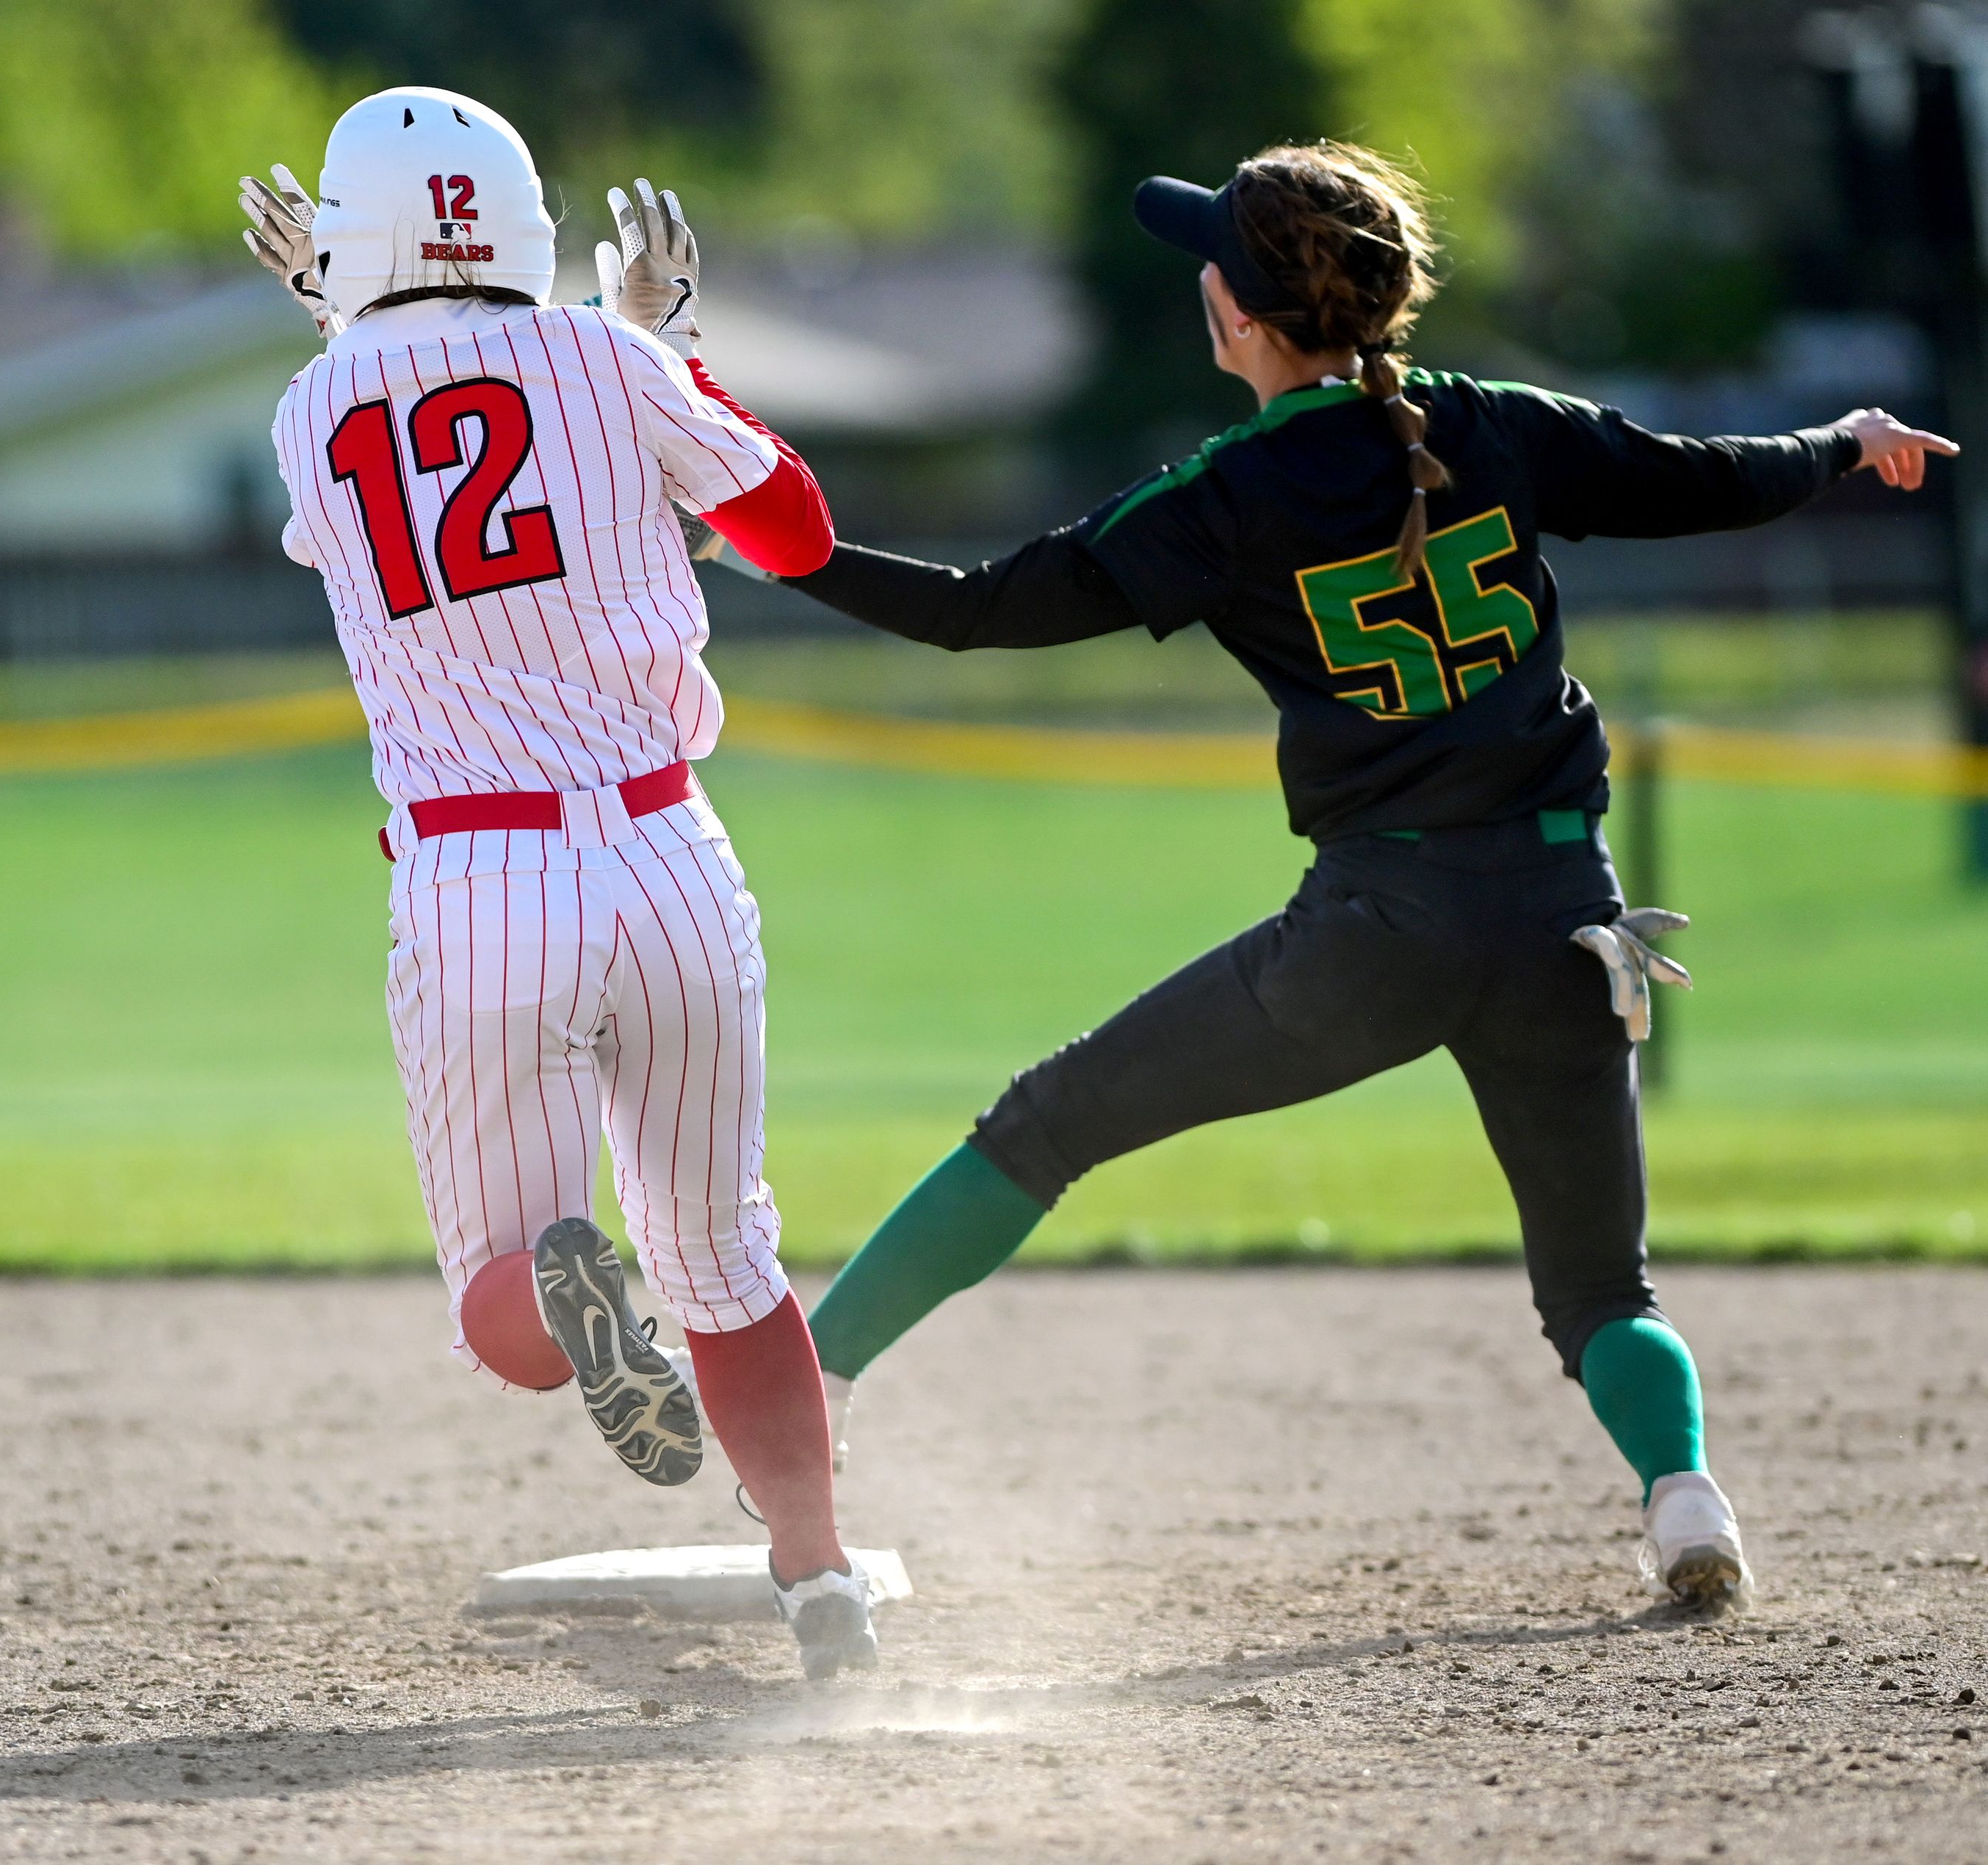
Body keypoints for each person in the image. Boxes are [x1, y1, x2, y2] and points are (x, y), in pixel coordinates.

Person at [771, 142, 1954, 1606]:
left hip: (1372, 939)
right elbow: (1712, 480)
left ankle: (807, 1385)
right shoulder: (1494, 425)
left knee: (1049, 1121)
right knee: (1601, 1293)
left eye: (1214, 262)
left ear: (1241, 318)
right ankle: (1687, 1499)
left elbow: (972, 615)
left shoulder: (1230, 490)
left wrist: (766, 546)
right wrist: (1846, 440)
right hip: (1563, 922)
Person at [239, 87, 875, 1676]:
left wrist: (337, 306)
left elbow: (425, 443)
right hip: (669, 853)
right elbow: (790, 530)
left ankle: (580, 1295)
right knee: (729, 1255)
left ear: (350, 240)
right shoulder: (612, 358)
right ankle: (820, 1578)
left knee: (506, 1312)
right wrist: (657, 342)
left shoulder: (311, 410)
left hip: (477, 878)